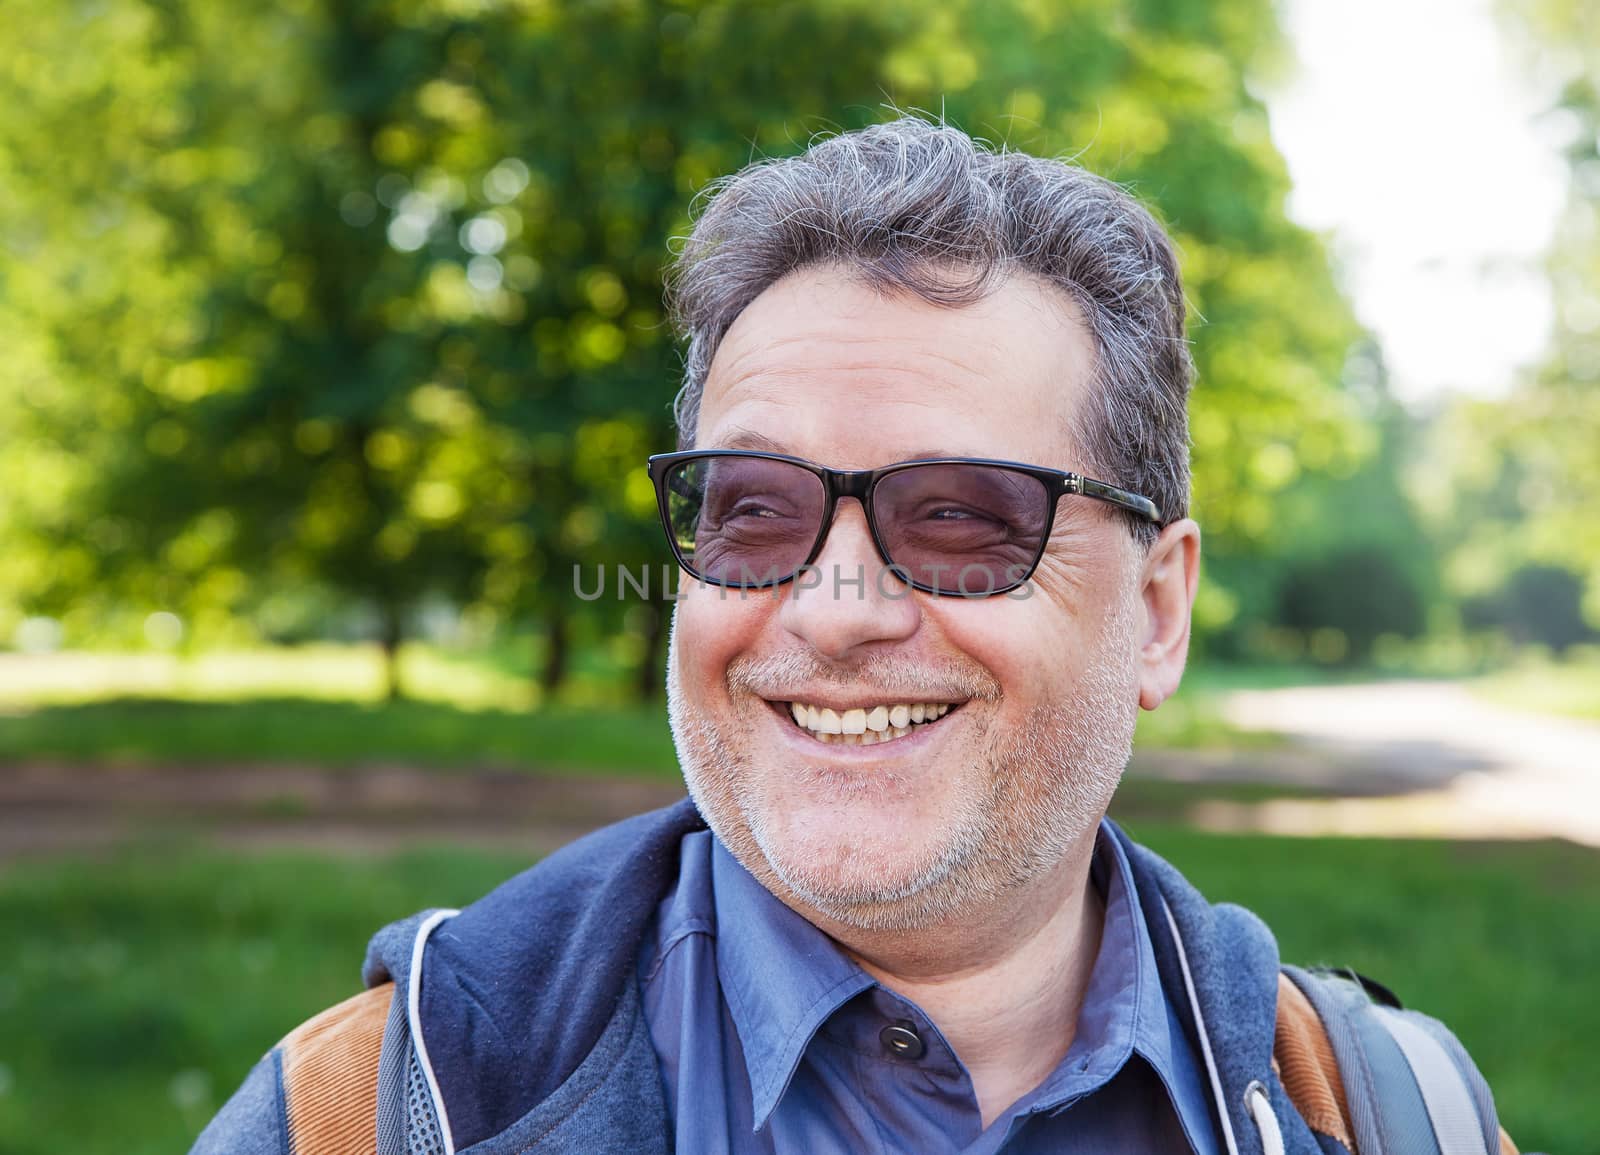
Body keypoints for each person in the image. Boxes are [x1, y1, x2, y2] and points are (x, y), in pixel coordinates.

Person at [194, 117, 1518, 1155]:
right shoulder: (369, 1115)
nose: (835, 612)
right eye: (755, 511)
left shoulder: (1394, 1119)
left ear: (1158, 612)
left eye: (960, 518)